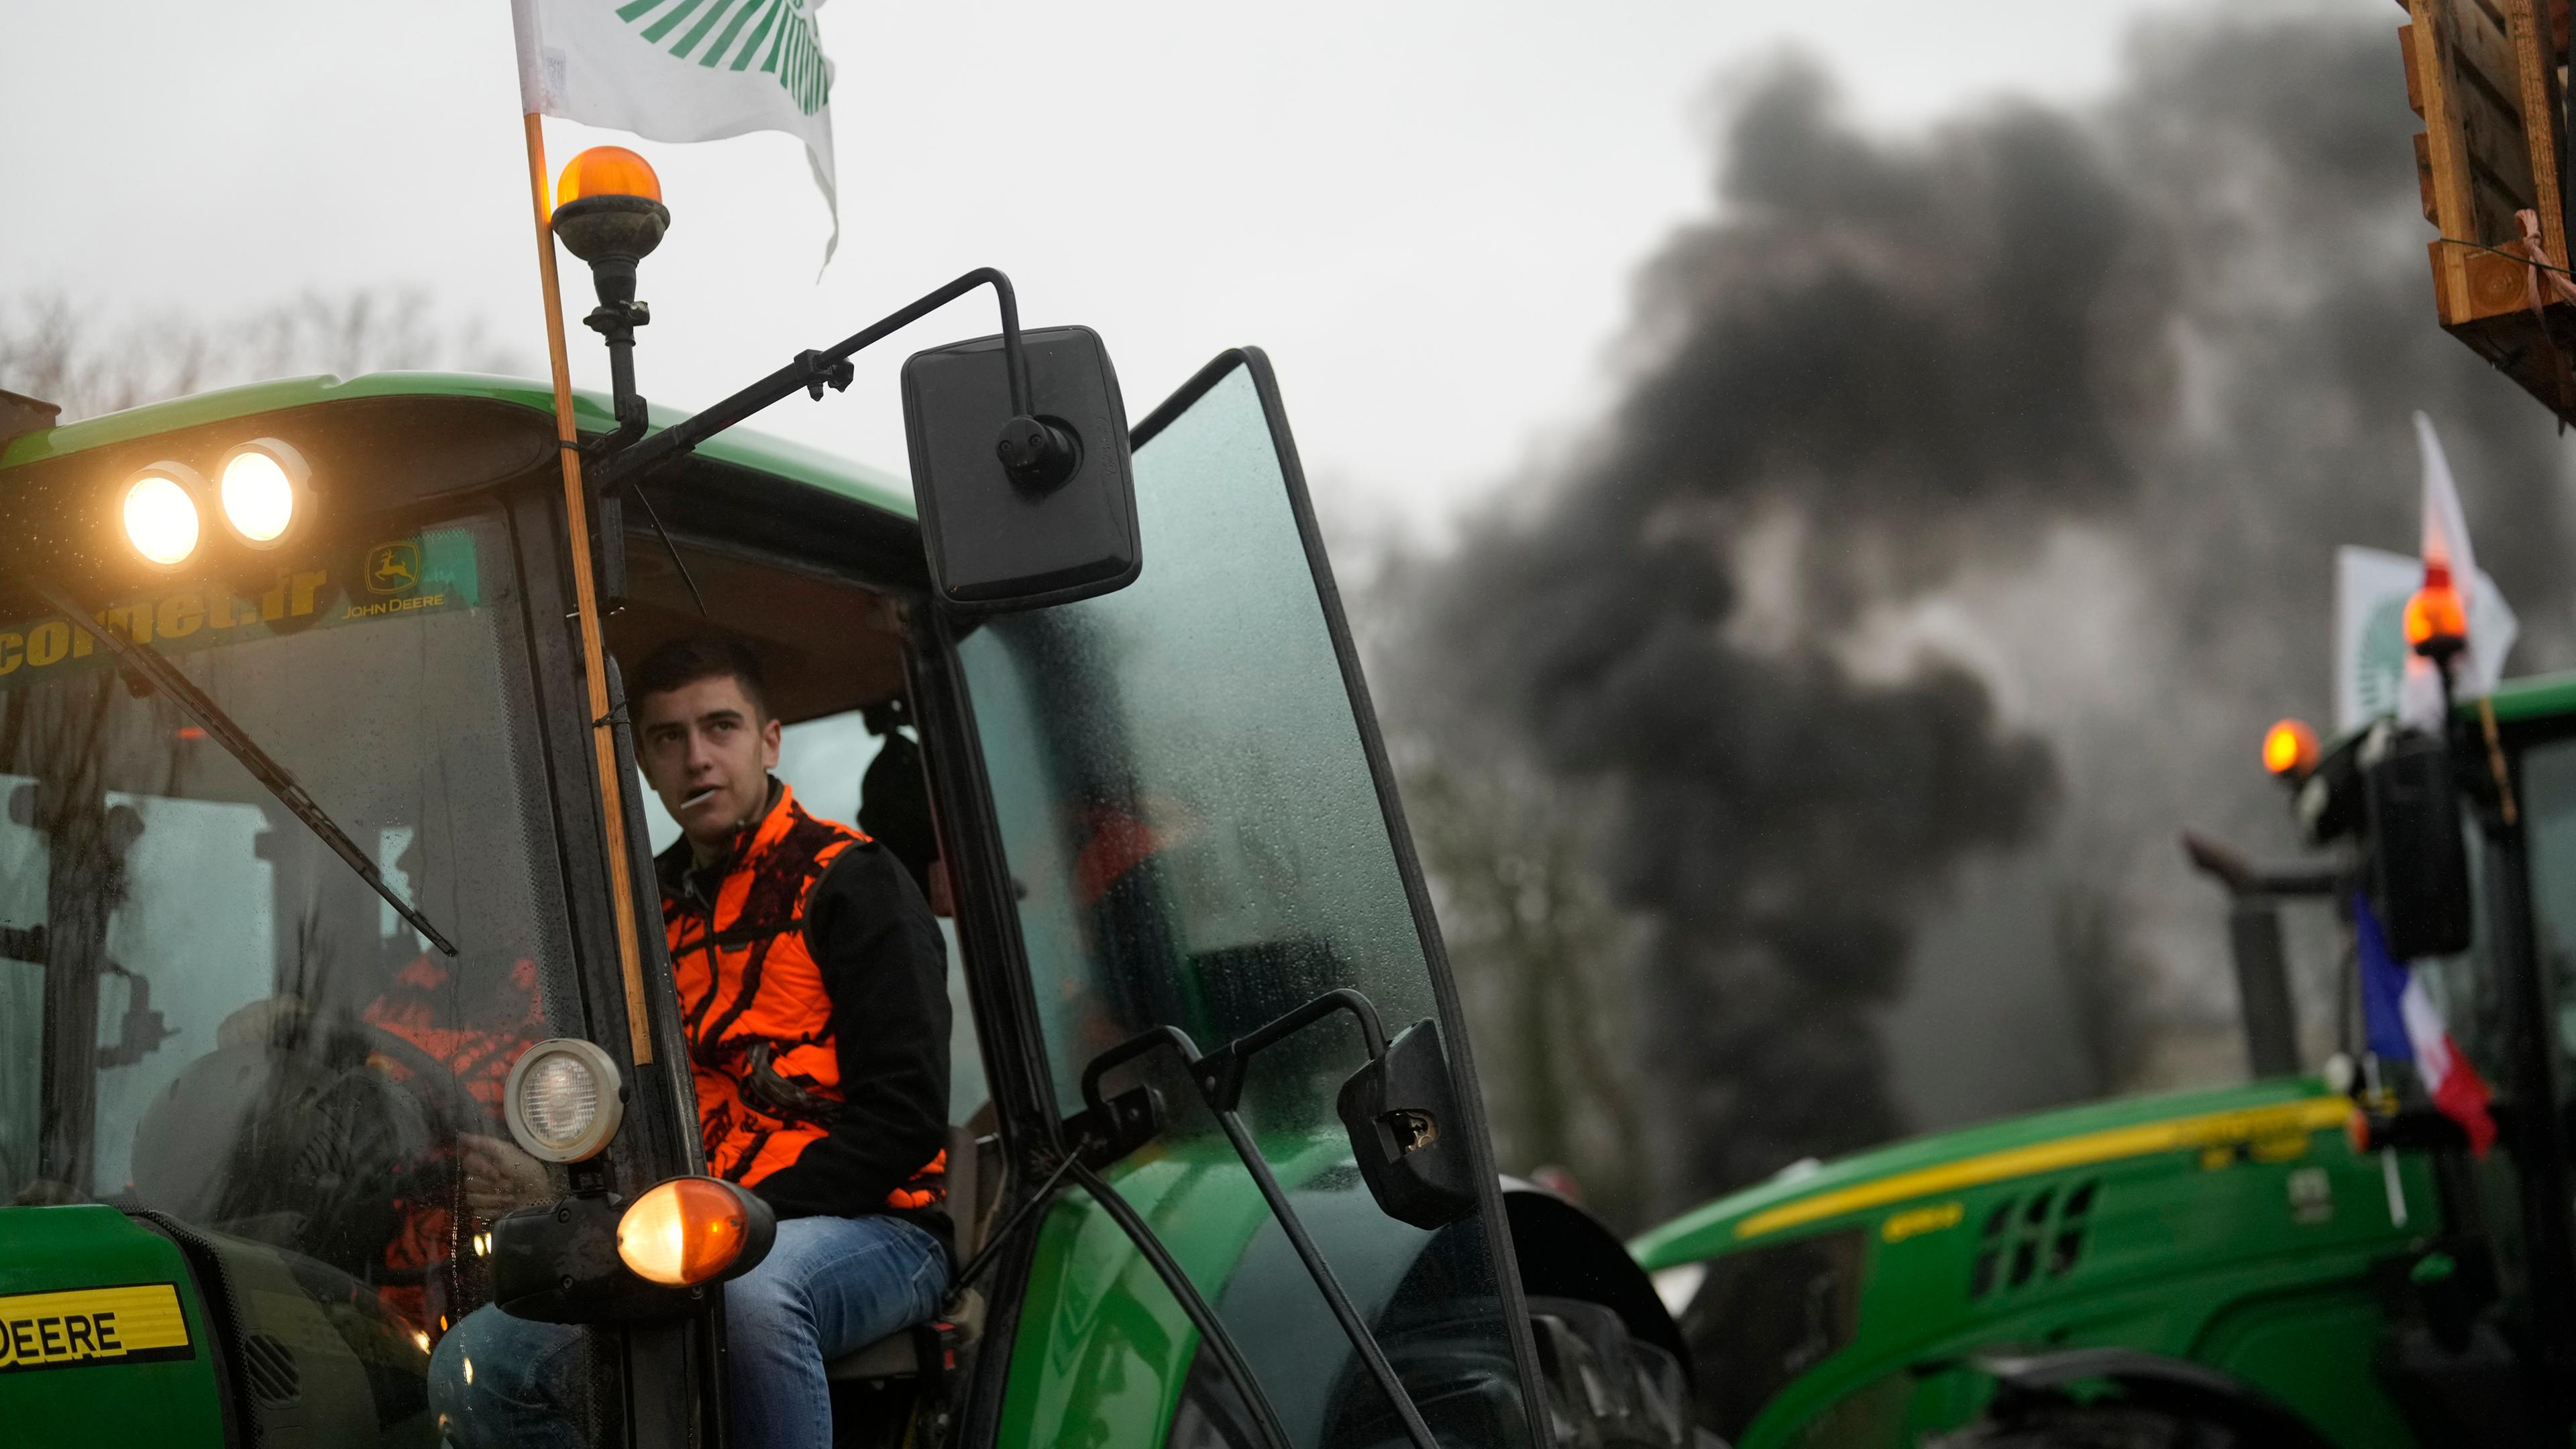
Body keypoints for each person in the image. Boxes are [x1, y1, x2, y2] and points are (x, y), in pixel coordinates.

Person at [430, 637, 953, 1449]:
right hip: (680, 1238)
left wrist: (729, 1219)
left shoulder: (855, 881)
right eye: (668, 737)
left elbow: (904, 1123)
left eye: (721, 727)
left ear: (769, 741)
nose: (697, 758)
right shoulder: (634, 916)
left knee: (746, 1301)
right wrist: (552, 1181)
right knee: (480, 1359)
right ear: (641, 761)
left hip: (877, 1229)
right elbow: (614, 1107)